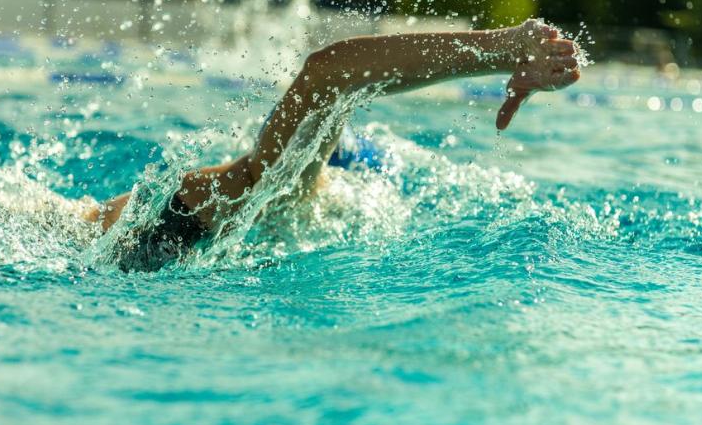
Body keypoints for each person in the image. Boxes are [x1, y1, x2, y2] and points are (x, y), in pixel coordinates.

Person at [85, 19, 582, 271]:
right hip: (96, 242)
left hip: (93, 240)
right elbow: (330, 74)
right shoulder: (279, 193)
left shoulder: (278, 203)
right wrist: (506, 47)